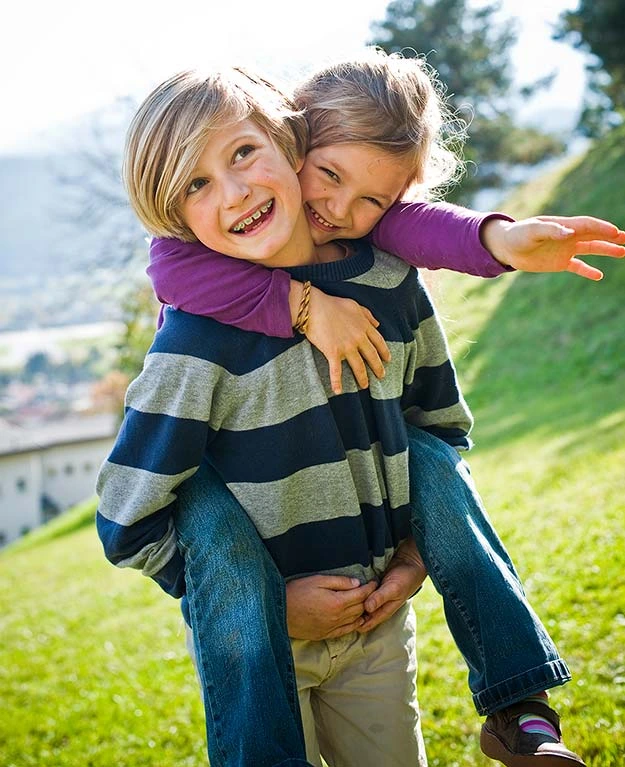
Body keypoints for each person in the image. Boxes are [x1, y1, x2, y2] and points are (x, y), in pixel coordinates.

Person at [138, 51, 623, 766]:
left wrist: (499, 239)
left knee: (430, 457)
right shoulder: (208, 248)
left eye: (372, 202)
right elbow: (166, 266)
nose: (341, 210)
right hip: (250, 544)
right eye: (328, 176)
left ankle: (520, 708)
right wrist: (304, 305)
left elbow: (415, 226)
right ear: (290, 140)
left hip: (364, 573)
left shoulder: (364, 242)